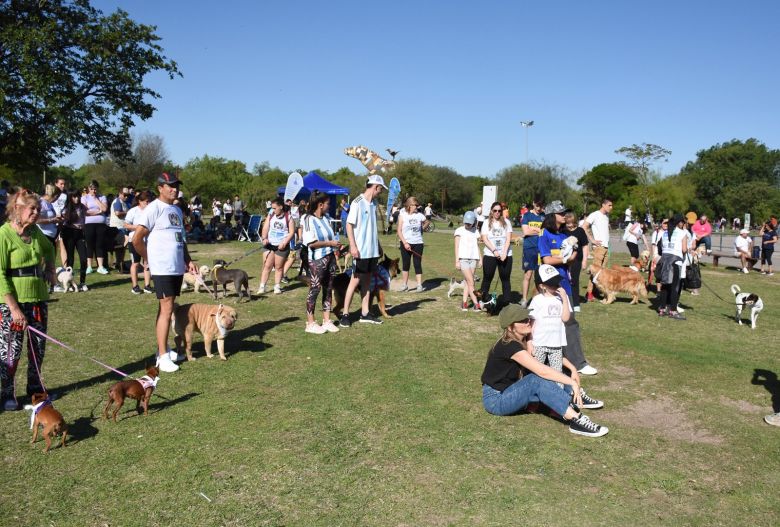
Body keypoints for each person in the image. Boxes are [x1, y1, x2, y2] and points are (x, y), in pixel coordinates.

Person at [480, 304, 608, 437]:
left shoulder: (522, 340)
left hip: (510, 391)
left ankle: (573, 399)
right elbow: (542, 371)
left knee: (550, 368)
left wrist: (572, 368)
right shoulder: (509, 346)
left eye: (528, 318)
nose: (528, 321)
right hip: (496, 400)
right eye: (523, 320)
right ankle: (576, 419)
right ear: (510, 327)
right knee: (535, 379)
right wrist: (572, 382)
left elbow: (550, 354)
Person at [133, 173, 198, 373]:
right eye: (170, 186)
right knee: (167, 308)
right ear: (160, 187)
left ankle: (163, 349)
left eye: (176, 186)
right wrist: (150, 260)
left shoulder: (176, 209)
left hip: (176, 266)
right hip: (162, 267)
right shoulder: (153, 209)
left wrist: (188, 260)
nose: (174, 189)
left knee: (166, 309)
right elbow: (137, 240)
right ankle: (162, 356)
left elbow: (181, 238)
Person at [0, 190, 57, 410]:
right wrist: (13, 308)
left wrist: (50, 268)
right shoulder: (4, 234)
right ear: (17, 208)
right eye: (32, 208)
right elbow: (1, 274)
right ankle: (7, 394)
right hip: (12, 302)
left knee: (37, 348)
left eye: (38, 209)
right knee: (11, 350)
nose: (36, 213)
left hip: (37, 299)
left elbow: (49, 248)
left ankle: (35, 390)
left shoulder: (34, 232)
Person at [529, 264, 604, 407]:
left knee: (558, 374)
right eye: (551, 284)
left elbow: (565, 318)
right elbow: (531, 323)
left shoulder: (561, 299)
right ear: (542, 286)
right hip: (539, 343)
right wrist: (529, 342)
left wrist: (564, 297)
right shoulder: (537, 300)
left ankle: (558, 401)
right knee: (537, 372)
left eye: (557, 282)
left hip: (557, 344)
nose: (556, 286)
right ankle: (534, 400)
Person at [538, 201, 597, 375]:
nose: (564, 215)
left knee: (570, 320)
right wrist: (566, 259)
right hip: (548, 282)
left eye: (565, 212)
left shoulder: (566, 234)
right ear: (551, 215)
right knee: (548, 320)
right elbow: (547, 259)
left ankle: (579, 363)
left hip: (565, 282)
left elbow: (574, 254)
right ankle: (544, 360)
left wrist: (574, 250)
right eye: (561, 213)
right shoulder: (544, 233)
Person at [339, 175, 386, 327]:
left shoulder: (374, 203)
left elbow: (372, 228)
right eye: (380, 189)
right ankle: (345, 314)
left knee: (368, 281)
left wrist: (378, 245)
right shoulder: (357, 202)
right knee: (355, 281)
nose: (381, 192)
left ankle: (365, 313)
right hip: (360, 251)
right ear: (375, 187)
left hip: (372, 251)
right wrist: (352, 246)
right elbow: (349, 225)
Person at [301, 192, 341, 334]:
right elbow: (311, 243)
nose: (329, 206)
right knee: (315, 289)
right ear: (320, 205)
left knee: (329, 288)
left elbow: (330, 236)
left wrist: (335, 246)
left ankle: (326, 320)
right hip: (317, 259)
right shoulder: (307, 219)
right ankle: (310, 323)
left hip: (330, 258)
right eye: (328, 204)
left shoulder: (326, 218)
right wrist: (330, 243)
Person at [258, 197, 295, 295]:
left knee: (279, 267)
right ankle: (262, 286)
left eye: (274, 208)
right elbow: (265, 227)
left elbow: (291, 232)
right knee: (267, 266)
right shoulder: (271, 215)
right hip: (269, 244)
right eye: (272, 208)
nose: (273, 210)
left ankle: (277, 286)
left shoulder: (289, 217)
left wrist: (284, 242)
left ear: (281, 207)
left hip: (281, 246)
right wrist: (264, 238)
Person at [480, 201, 513, 310]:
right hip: (490, 254)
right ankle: (483, 301)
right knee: (487, 278)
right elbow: (484, 238)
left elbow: (508, 238)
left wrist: (504, 253)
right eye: (495, 210)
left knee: (505, 278)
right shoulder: (486, 222)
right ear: (491, 211)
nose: (497, 213)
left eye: (499, 210)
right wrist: (494, 251)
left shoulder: (507, 222)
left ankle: (506, 302)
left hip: (505, 254)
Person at [657, 214, 688, 320]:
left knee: (665, 286)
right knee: (675, 287)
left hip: (665, 261)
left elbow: (660, 248)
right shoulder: (682, 233)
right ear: (679, 223)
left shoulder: (664, 233)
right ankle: (673, 311)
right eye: (682, 222)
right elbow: (684, 250)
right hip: (675, 262)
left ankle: (662, 309)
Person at [583, 198, 613, 302]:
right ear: (603, 205)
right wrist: (592, 240)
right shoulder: (595, 214)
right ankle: (589, 293)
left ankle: (596, 291)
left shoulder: (606, 216)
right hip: (599, 248)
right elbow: (584, 226)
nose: (611, 207)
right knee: (595, 271)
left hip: (606, 247)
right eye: (609, 205)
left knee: (602, 273)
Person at [397, 196, 428, 292]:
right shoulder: (403, 215)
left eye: (417, 205)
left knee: (417, 264)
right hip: (405, 243)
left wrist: (423, 227)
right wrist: (405, 243)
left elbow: (427, 221)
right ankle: (404, 285)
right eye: (416, 205)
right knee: (406, 264)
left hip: (418, 243)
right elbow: (399, 230)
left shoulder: (420, 215)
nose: (417, 207)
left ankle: (419, 285)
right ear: (410, 205)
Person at [125, 190, 154, 294]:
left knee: (147, 262)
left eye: (149, 201)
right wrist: (138, 228)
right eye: (146, 201)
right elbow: (126, 225)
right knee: (136, 263)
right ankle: (135, 286)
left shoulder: (151, 211)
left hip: (148, 240)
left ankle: (147, 285)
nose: (148, 203)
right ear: (139, 201)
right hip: (135, 240)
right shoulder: (133, 211)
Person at [60, 190, 89, 291]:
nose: (76, 198)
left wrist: (99, 211)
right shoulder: (66, 209)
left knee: (84, 258)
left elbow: (89, 212)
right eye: (74, 197)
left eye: (78, 196)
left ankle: (82, 282)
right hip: (70, 233)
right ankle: (70, 283)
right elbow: (63, 221)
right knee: (70, 259)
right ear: (70, 197)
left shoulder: (82, 207)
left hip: (80, 234)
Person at [454, 211, 482, 312]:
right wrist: (457, 261)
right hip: (463, 259)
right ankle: (476, 304)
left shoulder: (476, 231)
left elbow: (477, 246)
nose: (468, 225)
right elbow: (456, 246)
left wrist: (480, 258)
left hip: (473, 259)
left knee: (467, 282)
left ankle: (464, 303)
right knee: (471, 281)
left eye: (470, 223)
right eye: (466, 223)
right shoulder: (459, 231)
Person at [520, 196, 544, 308]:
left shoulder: (544, 217)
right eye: (537, 205)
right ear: (533, 203)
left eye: (541, 205)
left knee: (539, 276)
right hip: (529, 248)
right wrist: (539, 230)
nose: (539, 208)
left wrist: (533, 230)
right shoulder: (527, 216)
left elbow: (546, 232)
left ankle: (537, 299)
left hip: (542, 249)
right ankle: (524, 300)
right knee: (528, 274)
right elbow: (525, 232)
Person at [562, 211, 588, 312]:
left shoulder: (580, 231)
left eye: (570, 223)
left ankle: (576, 303)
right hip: (565, 259)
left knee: (574, 280)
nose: (568, 225)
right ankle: (565, 301)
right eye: (567, 223)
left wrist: (584, 260)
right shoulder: (563, 231)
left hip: (577, 260)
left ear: (574, 222)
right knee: (564, 279)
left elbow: (585, 246)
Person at [81, 180, 109, 274]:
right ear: (89, 188)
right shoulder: (84, 198)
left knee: (99, 245)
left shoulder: (102, 197)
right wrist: (98, 212)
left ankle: (100, 266)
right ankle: (89, 266)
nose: (94, 191)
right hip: (89, 224)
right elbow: (85, 211)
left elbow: (104, 209)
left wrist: (96, 199)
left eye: (95, 189)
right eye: (92, 189)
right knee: (89, 245)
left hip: (101, 224)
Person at [108, 187, 130, 272]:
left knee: (123, 248)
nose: (126, 197)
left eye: (128, 195)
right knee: (120, 247)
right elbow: (117, 213)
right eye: (125, 195)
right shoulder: (117, 201)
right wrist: (127, 213)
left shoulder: (124, 202)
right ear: (120, 194)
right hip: (117, 228)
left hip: (122, 226)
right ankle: (119, 264)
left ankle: (121, 263)